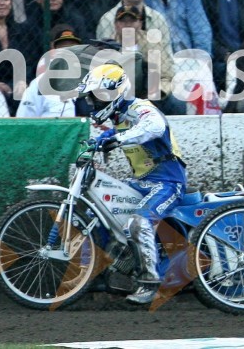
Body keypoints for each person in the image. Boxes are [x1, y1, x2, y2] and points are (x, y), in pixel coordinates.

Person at [78, 62, 187, 305]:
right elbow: (106, 137)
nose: (94, 103)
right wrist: (95, 145)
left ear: (115, 93)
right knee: (97, 207)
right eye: (92, 98)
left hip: (169, 182)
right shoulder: (118, 119)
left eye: (99, 97)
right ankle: (109, 270)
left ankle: (149, 281)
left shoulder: (140, 107)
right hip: (143, 183)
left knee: (140, 221)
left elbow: (155, 126)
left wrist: (118, 138)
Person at [16, 24, 82, 118]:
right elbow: (24, 122)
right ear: (54, 52)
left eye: (73, 48)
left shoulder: (91, 81)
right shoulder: (38, 84)